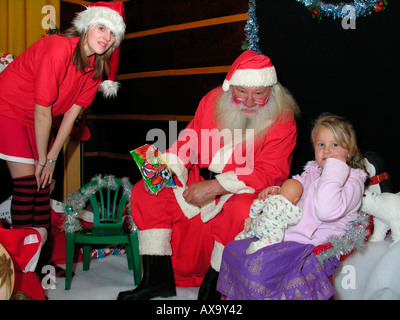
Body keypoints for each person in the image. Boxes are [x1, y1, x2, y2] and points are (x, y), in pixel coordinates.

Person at [118, 50, 300, 300]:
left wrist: (216, 186)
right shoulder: (213, 100)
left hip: (242, 191)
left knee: (241, 209)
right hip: (199, 180)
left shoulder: (283, 119)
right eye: (241, 92)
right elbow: (189, 141)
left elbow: (270, 173)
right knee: (145, 192)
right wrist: (162, 172)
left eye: (259, 94)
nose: (249, 101)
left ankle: (214, 288)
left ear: (271, 90)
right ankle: (156, 280)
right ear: (230, 87)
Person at [0, 1, 125, 231]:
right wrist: (41, 159)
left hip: (36, 119)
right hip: (8, 108)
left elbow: (70, 117)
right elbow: (42, 111)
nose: (106, 37)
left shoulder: (95, 69)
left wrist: (51, 159)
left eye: (112, 33)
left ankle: (38, 257)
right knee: (28, 184)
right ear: (86, 26)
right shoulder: (58, 49)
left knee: (42, 187)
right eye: (101, 28)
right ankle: (21, 261)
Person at [217, 113, 367, 300]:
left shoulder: (352, 181)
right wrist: (277, 191)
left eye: (335, 145)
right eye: (321, 145)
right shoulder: (312, 172)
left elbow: (326, 210)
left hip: (311, 243)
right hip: (288, 234)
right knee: (233, 250)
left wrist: (335, 169)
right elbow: (293, 189)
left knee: (259, 267)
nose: (327, 151)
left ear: (350, 151)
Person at [235, 178, 303, 254]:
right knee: (275, 239)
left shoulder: (271, 197)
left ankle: (241, 237)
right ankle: (257, 246)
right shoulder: (290, 209)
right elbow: (294, 220)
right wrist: (298, 211)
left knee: (251, 229)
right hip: (270, 231)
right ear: (296, 200)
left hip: (259, 223)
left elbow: (258, 203)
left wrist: (252, 215)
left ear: (279, 190)